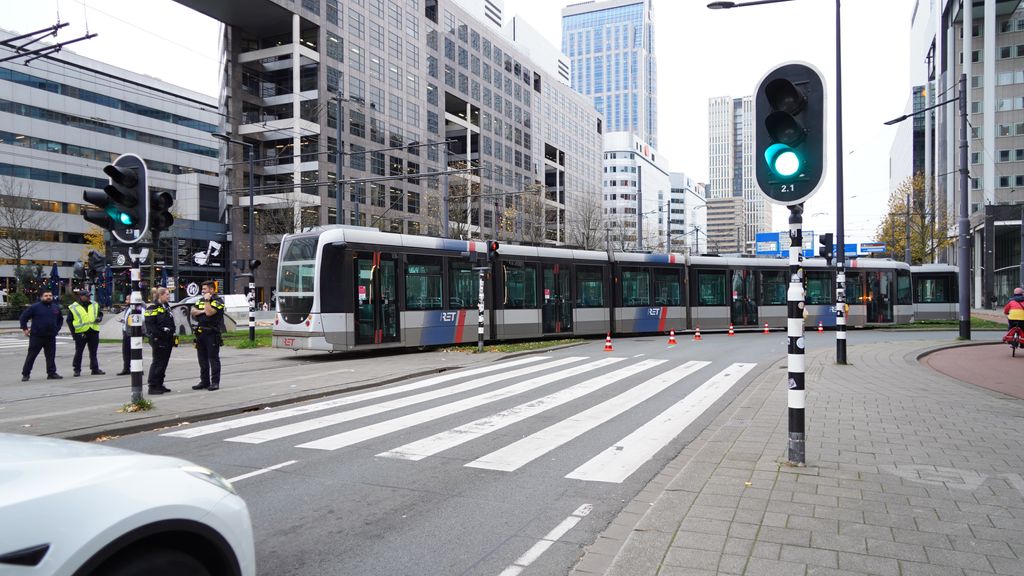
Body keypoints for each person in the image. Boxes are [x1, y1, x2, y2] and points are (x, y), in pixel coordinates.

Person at [19, 289, 64, 381]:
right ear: (41, 297)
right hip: (37, 336)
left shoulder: (55, 307)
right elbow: (23, 317)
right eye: (46, 295)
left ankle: (51, 373)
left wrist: (56, 329)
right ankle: (26, 374)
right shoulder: (35, 307)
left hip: (50, 336)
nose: (48, 297)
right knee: (32, 355)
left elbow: (60, 319)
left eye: (50, 296)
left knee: (51, 356)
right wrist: (25, 329)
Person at [190, 280, 225, 391]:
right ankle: (204, 381)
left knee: (213, 359)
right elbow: (193, 311)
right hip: (201, 333)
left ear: (211, 290)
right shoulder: (200, 300)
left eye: (205, 289)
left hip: (212, 334)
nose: (203, 291)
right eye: (203, 289)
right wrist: (202, 311)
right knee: (202, 359)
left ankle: (215, 382)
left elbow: (209, 312)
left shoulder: (218, 301)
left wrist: (206, 301)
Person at [144, 287, 176, 395]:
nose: (168, 296)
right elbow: (150, 326)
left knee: (163, 363)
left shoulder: (166, 307)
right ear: (160, 295)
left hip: (168, 339)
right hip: (158, 339)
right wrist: (160, 334)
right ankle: (152, 386)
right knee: (157, 362)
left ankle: (160, 384)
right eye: (167, 294)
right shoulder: (152, 308)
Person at [67, 289, 105, 377]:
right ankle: (77, 369)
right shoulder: (73, 307)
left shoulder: (94, 304)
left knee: (93, 352)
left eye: (89, 296)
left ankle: (95, 369)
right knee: (79, 352)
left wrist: (99, 318)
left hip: (93, 331)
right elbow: (69, 321)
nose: (89, 297)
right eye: (86, 296)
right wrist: (74, 334)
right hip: (81, 332)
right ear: (81, 297)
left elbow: (99, 313)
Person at [117, 295, 131, 375]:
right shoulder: (127, 309)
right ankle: (126, 368)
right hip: (126, 332)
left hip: (131, 333)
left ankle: (137, 368)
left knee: (133, 352)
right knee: (126, 352)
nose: (126, 301)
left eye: (127, 299)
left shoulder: (136, 308)